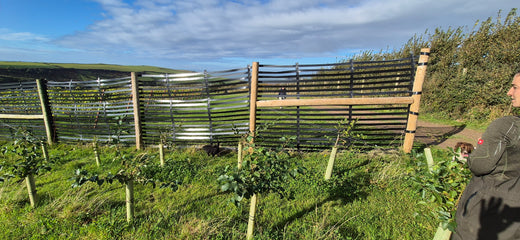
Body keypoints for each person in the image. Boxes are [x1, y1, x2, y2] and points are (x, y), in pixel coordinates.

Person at [452, 72, 520, 240]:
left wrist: (470, 155)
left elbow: (480, 165)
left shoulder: (506, 126)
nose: (509, 92)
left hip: (487, 213)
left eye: (515, 87)